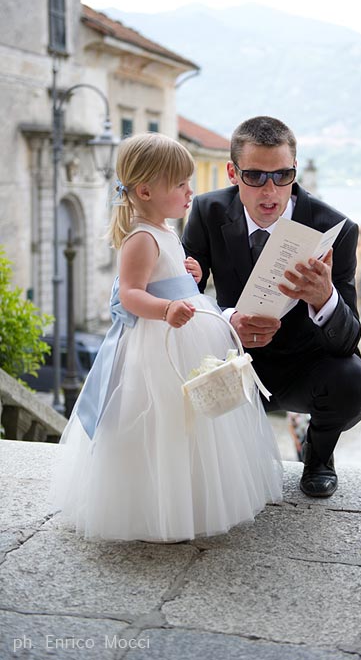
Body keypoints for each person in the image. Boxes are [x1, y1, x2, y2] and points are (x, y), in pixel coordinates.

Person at [49, 133, 283, 542]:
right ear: (145, 190)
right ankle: (156, 506)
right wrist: (166, 308)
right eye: (179, 185)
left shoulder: (164, 230)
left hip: (185, 337)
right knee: (163, 422)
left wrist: (186, 276)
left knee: (195, 424)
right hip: (159, 346)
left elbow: (164, 276)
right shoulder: (141, 237)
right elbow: (131, 293)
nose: (190, 191)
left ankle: (192, 497)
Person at [183, 116, 361, 498]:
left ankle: (318, 457)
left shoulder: (335, 227)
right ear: (232, 173)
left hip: (306, 367)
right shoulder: (207, 211)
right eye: (255, 176)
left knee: (353, 382)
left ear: (295, 170)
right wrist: (227, 321)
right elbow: (183, 296)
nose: (270, 190)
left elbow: (349, 341)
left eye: (282, 175)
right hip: (234, 358)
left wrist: (325, 298)